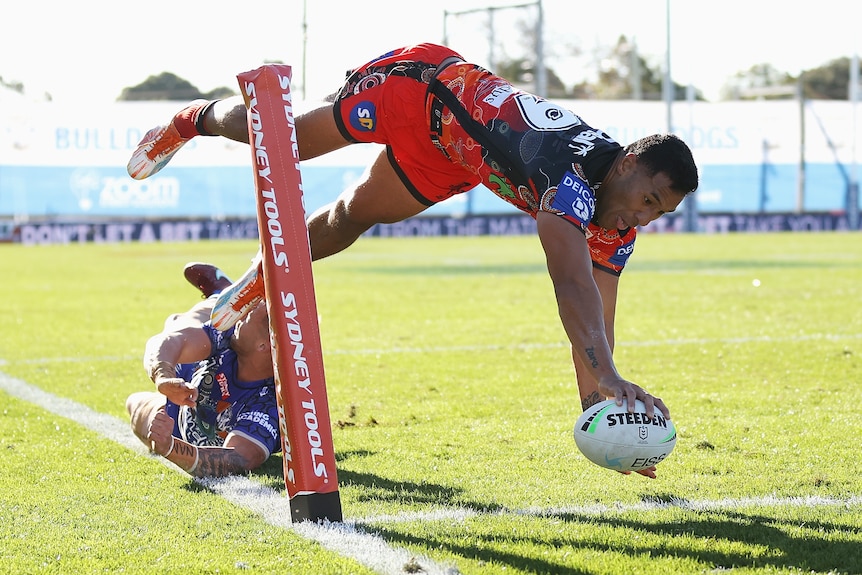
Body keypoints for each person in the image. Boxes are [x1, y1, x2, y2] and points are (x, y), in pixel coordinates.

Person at [128, 44, 698, 477]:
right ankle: (193, 118)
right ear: (624, 166)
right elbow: (572, 287)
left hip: (458, 155)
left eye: (660, 212)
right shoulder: (565, 177)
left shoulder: (613, 218)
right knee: (286, 140)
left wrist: (606, 418)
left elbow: (599, 321)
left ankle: (251, 285)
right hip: (423, 89)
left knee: (354, 215)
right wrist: (610, 377)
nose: (645, 217)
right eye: (648, 200)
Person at [126, 263, 281, 477]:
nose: (244, 314)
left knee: (134, 404)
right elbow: (168, 342)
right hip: (188, 375)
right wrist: (163, 377)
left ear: (263, 345)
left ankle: (224, 295)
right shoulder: (231, 336)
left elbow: (236, 458)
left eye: (249, 313)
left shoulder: (267, 405)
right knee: (177, 324)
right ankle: (221, 295)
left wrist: (171, 447)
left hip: (178, 425)